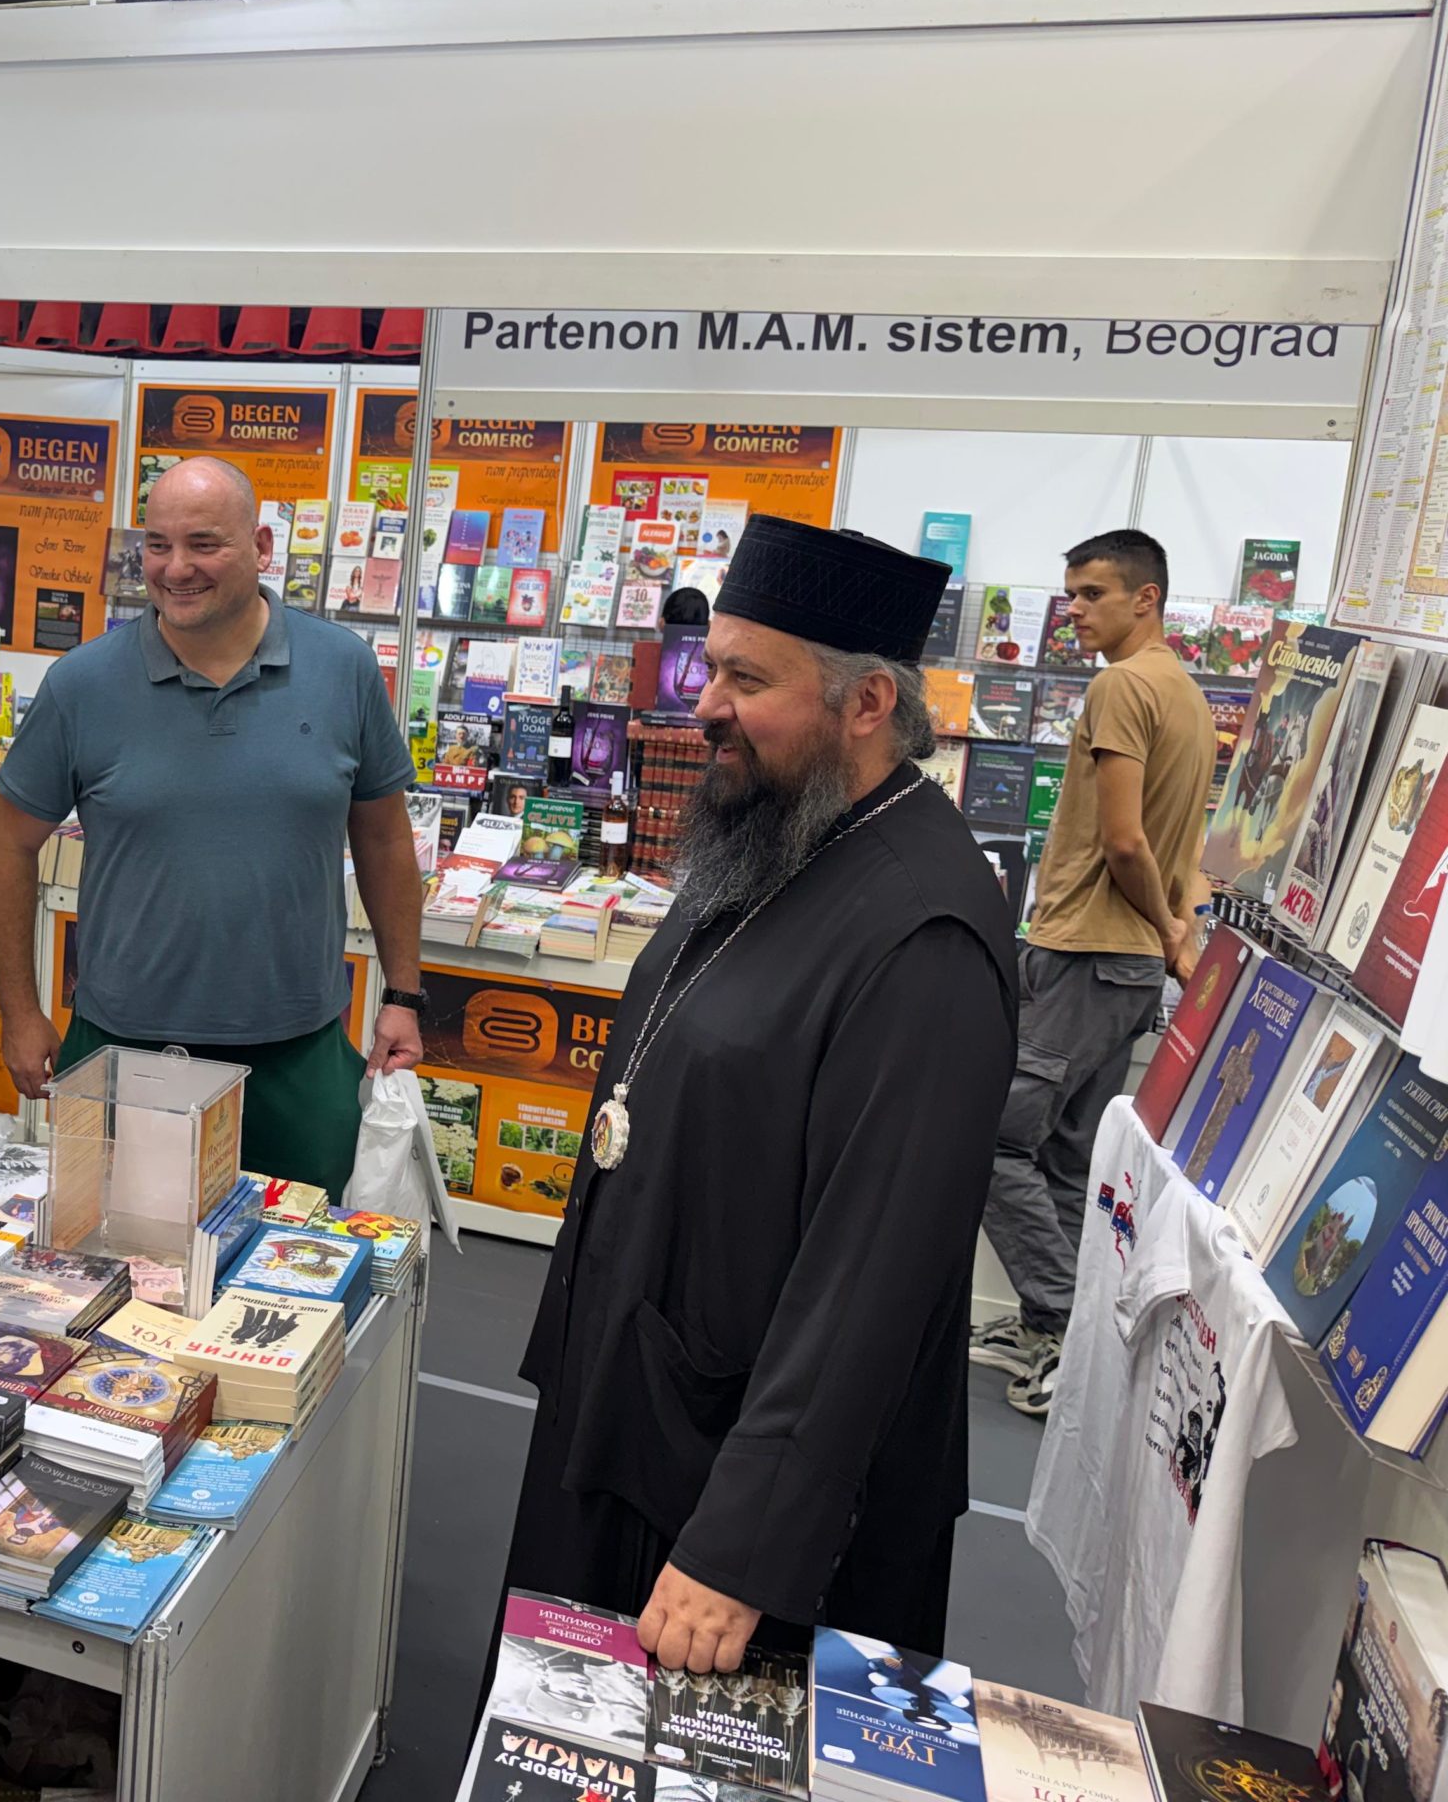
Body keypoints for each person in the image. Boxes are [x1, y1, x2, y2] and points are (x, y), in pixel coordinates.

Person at [502, 515, 1016, 1674]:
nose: (705, 704)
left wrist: (743, 1546)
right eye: (710, 668)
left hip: (734, 1497)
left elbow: (871, 1275)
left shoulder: (923, 935)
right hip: (641, 1403)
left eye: (746, 679)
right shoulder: (780, 826)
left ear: (865, 702)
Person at [0, 455, 426, 1197]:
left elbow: (383, 838)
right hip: (124, 1049)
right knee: (112, 1255)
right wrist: (20, 1013)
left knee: (302, 1260)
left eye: (203, 544)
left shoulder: (342, 668)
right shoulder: (82, 685)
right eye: (157, 545)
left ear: (262, 547)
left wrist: (403, 995)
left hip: (300, 1052)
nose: (175, 568)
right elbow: (8, 844)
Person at [972, 529, 1214, 1418]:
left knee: (992, 1140)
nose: (1071, 610)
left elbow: (1125, 842)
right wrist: (1171, 936)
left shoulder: (1121, 686)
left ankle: (1066, 1332)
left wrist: (1170, 933)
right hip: (1120, 967)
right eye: (1069, 593)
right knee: (1069, 1158)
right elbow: (1179, 848)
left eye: (1091, 594)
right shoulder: (1186, 694)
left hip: (1089, 953)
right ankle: (1065, 1336)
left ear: (1146, 598)